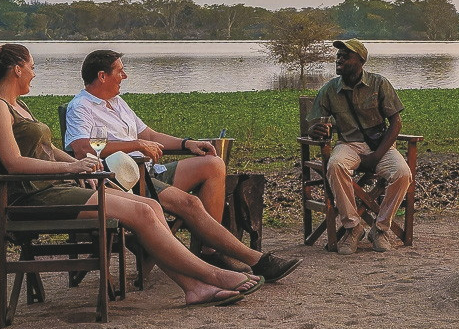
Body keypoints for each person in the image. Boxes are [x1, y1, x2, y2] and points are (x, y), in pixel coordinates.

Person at [0, 41, 263, 308]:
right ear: (17, 69)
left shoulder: (20, 106)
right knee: (144, 212)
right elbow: (13, 163)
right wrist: (70, 168)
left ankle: (193, 288)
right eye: (32, 67)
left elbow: (47, 149)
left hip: (56, 189)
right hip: (36, 197)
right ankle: (213, 275)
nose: (34, 73)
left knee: (150, 206)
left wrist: (82, 164)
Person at [64, 49, 298, 282]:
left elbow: (150, 135)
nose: (125, 76)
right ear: (102, 76)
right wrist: (136, 145)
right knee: (190, 203)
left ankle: (209, 250)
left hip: (150, 172)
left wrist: (187, 143)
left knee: (213, 164)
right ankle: (256, 260)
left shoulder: (118, 103)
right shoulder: (81, 107)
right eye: (120, 71)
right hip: (123, 181)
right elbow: (82, 148)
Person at [310, 38, 412, 252]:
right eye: (338, 56)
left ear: (361, 61)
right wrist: (315, 131)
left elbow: (396, 122)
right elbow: (316, 124)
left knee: (403, 174)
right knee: (335, 166)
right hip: (348, 144)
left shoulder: (379, 83)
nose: (339, 60)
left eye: (345, 56)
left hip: (379, 145)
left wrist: (377, 155)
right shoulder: (329, 90)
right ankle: (353, 227)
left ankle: (381, 228)